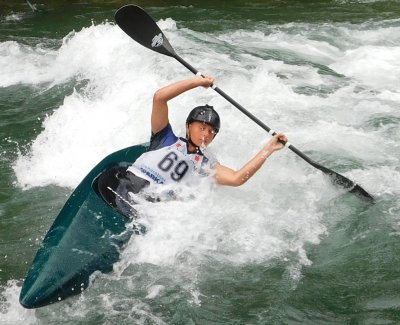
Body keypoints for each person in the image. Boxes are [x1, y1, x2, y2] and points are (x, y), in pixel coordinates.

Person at [97, 75, 288, 216]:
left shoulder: (206, 165)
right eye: (201, 127)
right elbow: (159, 97)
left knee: (176, 204)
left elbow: (237, 178)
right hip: (124, 184)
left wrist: (268, 149)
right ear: (189, 126)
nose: (205, 133)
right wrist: (197, 82)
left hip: (150, 201)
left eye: (211, 131)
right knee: (116, 171)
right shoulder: (164, 137)